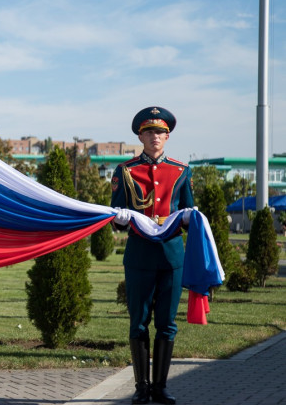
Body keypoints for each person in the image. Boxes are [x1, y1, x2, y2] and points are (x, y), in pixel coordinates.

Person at [110, 106, 194, 405]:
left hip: (172, 255)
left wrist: (188, 218)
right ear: (140, 136)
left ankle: (160, 387)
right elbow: (115, 212)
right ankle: (141, 387)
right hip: (140, 255)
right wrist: (120, 217)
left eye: (159, 132)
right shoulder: (126, 170)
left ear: (167, 136)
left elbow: (189, 209)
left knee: (168, 323)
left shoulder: (181, 170)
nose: (154, 137)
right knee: (139, 322)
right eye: (148, 132)